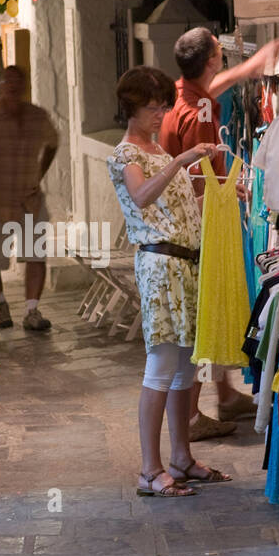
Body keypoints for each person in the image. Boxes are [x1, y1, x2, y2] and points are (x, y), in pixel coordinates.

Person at [107, 65, 234, 498]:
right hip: (161, 266)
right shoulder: (128, 154)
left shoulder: (157, 152)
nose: (160, 113)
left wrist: (216, 194)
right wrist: (181, 160)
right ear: (132, 108)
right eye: (152, 107)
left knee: (186, 367)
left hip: (187, 264)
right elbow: (142, 198)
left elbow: (178, 204)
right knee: (161, 366)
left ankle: (181, 456)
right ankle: (148, 469)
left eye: (163, 106)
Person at [160, 27, 274, 441]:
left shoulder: (180, 95)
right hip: (202, 222)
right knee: (206, 311)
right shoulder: (203, 111)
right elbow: (201, 171)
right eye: (218, 48)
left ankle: (223, 396)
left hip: (182, 218)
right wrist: (224, 194)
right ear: (211, 59)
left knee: (210, 308)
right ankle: (192, 416)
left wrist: (248, 67)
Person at [0, 65, 59, 332]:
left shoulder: (38, 116)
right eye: (8, 83)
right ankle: (0, 303)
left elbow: (53, 143)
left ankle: (32, 311)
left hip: (30, 200)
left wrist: (39, 173)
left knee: (36, 256)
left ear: (24, 87)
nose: (13, 88)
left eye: (19, 83)